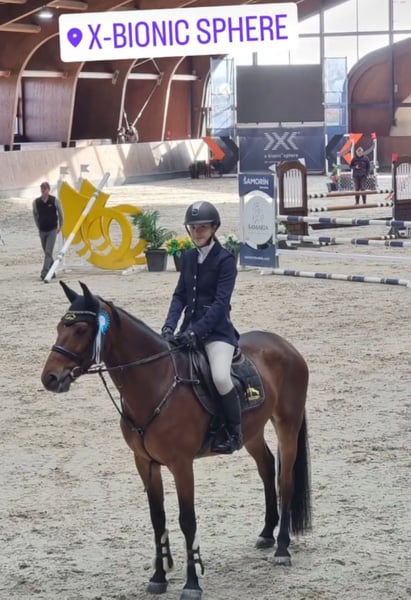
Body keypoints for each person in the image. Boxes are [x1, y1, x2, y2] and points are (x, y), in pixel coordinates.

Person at [161, 200, 242, 454]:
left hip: (217, 334)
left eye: (203, 227)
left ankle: (234, 433)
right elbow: (180, 296)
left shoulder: (225, 260)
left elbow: (220, 304)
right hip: (187, 331)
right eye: (193, 228)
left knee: (220, 377)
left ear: (214, 228)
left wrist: (196, 332)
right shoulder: (187, 257)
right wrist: (169, 326)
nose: (197, 232)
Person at [32, 182, 63, 281]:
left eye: (45, 189)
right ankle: (52, 271)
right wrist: (38, 226)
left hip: (52, 229)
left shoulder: (54, 200)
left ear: (48, 190)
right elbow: (35, 215)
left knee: (48, 252)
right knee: (46, 252)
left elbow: (60, 213)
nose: (43, 191)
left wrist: (61, 225)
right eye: (42, 189)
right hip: (42, 230)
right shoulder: (36, 202)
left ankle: (44, 272)